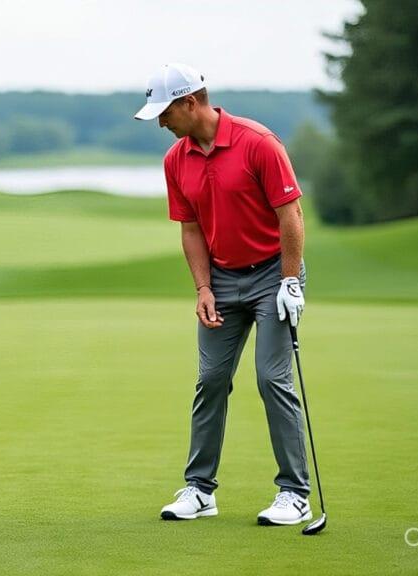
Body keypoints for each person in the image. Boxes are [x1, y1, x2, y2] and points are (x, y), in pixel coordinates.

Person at [134, 64, 311, 526]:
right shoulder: (176, 160)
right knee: (210, 380)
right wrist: (203, 287)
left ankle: (294, 494)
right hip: (221, 280)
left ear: (190, 102)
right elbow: (190, 228)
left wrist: (290, 280)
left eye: (165, 112)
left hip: (274, 274)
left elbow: (291, 215)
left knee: (272, 379)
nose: (160, 123)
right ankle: (200, 489)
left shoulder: (258, 143)